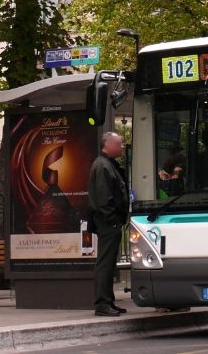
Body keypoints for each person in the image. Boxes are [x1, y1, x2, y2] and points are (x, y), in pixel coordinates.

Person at [88, 132, 129, 317]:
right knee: (105, 263)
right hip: (107, 222)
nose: (122, 147)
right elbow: (104, 198)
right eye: (120, 144)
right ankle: (103, 303)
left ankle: (108, 301)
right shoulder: (103, 166)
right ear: (109, 145)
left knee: (109, 263)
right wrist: (113, 220)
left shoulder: (107, 164)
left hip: (109, 222)